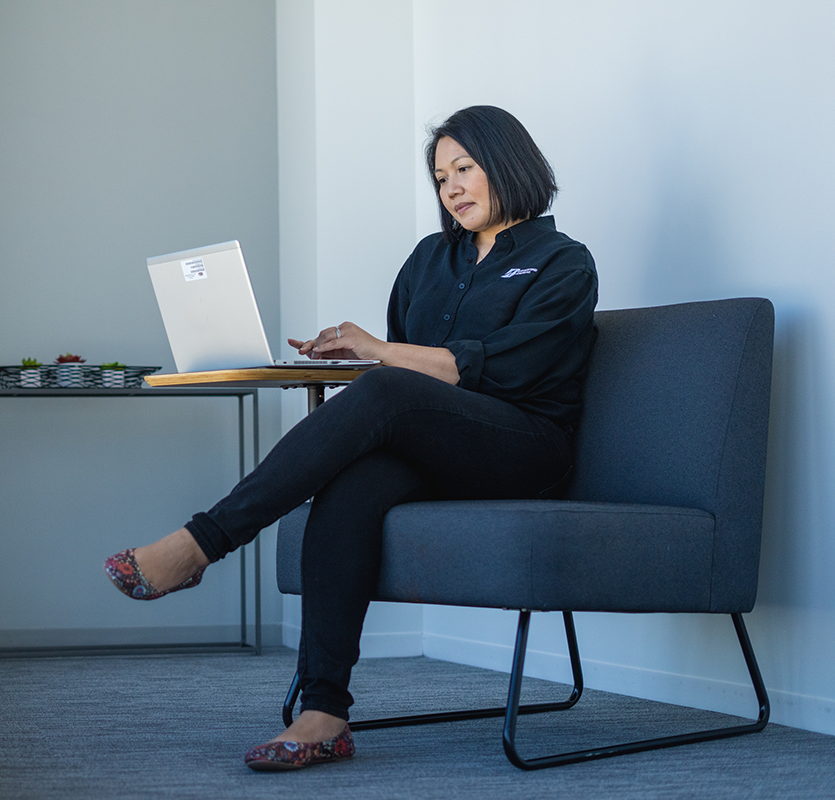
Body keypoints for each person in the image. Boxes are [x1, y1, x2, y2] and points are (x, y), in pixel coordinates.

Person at [104, 105, 598, 771]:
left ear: (508, 164)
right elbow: (408, 371)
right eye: (440, 176)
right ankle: (324, 712)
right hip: (438, 444)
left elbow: (490, 370)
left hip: (524, 447)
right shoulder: (429, 259)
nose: (451, 187)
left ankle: (201, 542)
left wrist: (380, 356)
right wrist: (356, 359)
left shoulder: (563, 262)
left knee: (387, 387)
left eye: (465, 169)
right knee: (352, 482)